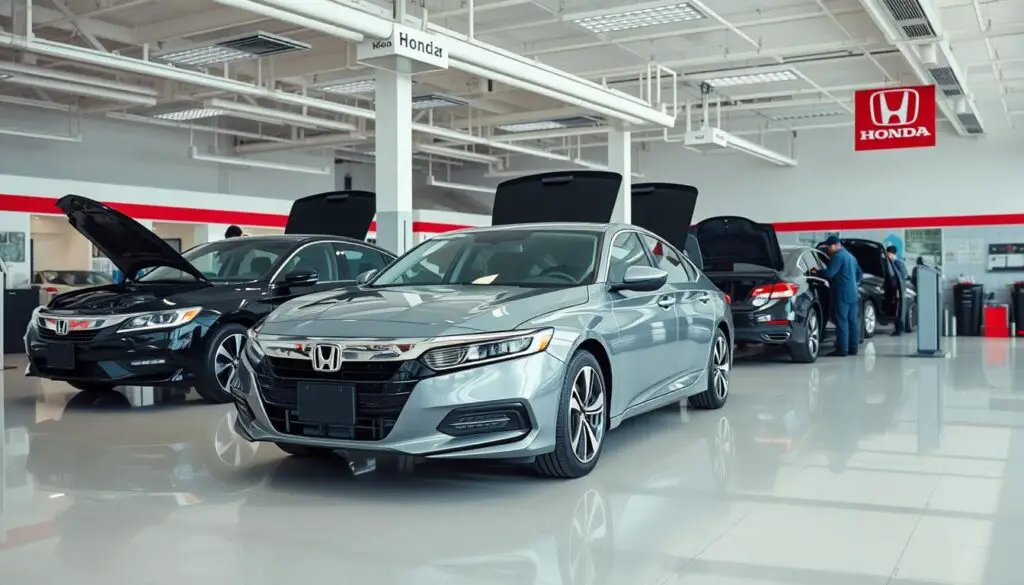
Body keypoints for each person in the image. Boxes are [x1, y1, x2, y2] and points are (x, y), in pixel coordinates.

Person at [812, 236, 862, 357]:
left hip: (842, 293)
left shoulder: (838, 257)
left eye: (828, 247)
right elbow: (860, 275)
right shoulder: (851, 257)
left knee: (842, 321)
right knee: (852, 321)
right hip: (853, 293)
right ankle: (853, 348)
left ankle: (842, 349)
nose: (828, 249)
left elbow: (829, 274)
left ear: (834, 245)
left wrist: (816, 272)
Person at [887, 246, 909, 337]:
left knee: (898, 310)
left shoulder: (898, 263)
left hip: (899, 289)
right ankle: (898, 328)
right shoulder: (893, 262)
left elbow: (904, 275)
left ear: (891, 253)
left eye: (888, 253)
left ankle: (899, 329)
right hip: (896, 289)